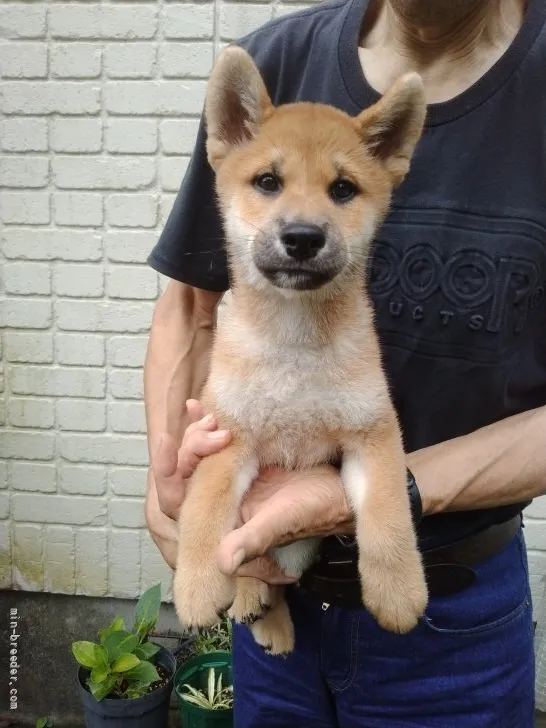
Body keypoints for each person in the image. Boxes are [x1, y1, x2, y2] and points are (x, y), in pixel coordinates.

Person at [144, 0, 546, 725]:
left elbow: (369, 433)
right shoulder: (275, 57)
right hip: (270, 586)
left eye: (339, 191)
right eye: (269, 185)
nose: (301, 222)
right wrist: (169, 478)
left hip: (458, 611)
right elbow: (189, 308)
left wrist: (387, 526)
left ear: (393, 153)